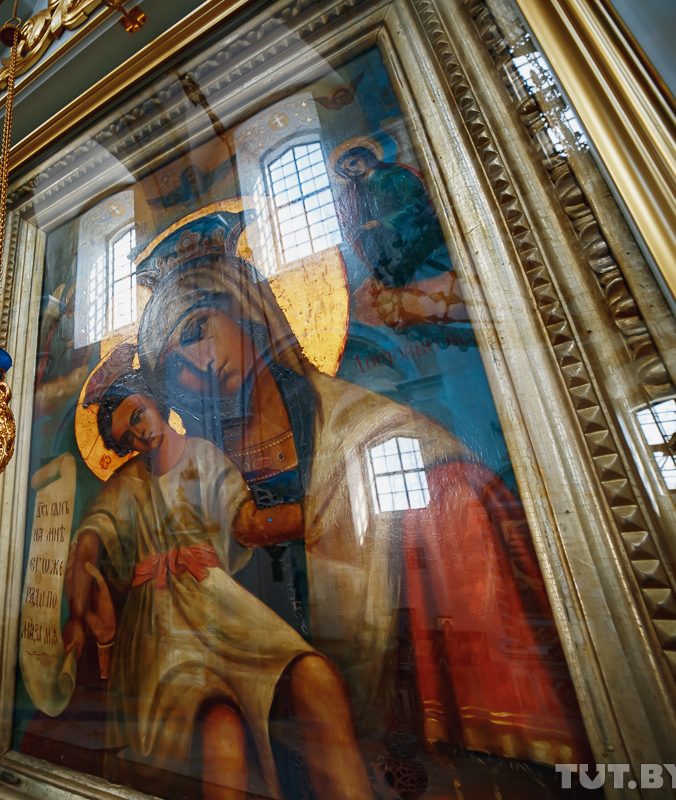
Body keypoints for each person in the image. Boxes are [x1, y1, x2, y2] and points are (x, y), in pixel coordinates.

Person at [136, 251, 592, 785]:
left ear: (246, 313)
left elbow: (428, 514)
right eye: (174, 367)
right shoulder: (190, 478)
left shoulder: (371, 433)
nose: (198, 365)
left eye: (198, 330)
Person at [63, 371, 371, 800]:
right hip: (159, 625)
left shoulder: (205, 457)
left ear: (154, 401)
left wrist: (319, 514)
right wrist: (77, 617)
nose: (139, 434)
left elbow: (246, 524)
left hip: (219, 606)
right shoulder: (124, 485)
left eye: (137, 415)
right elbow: (86, 545)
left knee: (317, 680)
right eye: (127, 437)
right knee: (221, 728)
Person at [333, 143, 446, 289]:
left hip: (411, 235)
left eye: (354, 163)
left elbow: (417, 203)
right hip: (385, 249)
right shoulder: (357, 192)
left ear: (365, 157)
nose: (352, 170)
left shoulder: (395, 174)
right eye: (347, 171)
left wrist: (381, 222)